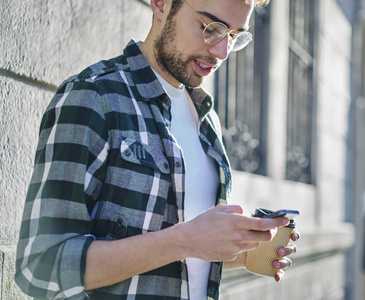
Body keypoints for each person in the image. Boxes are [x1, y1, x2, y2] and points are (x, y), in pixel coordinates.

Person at [15, 0, 299, 299]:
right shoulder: (93, 96)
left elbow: (175, 261)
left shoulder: (207, 118)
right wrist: (186, 240)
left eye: (233, 35)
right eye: (211, 28)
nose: (222, 52)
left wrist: (242, 252)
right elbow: (38, 266)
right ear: (161, 5)